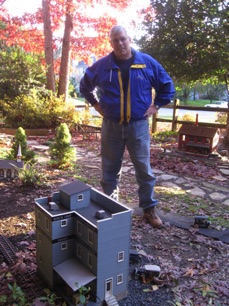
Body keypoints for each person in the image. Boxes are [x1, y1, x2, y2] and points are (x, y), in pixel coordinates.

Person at [80, 25, 175, 228]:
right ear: (111, 43)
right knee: (109, 170)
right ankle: (111, 207)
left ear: (129, 39)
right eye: (115, 40)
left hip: (138, 127)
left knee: (144, 170)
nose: (120, 43)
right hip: (111, 126)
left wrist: (156, 105)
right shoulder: (103, 66)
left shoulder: (147, 63)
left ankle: (149, 210)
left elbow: (167, 86)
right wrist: (96, 105)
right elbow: (85, 86)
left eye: (122, 38)